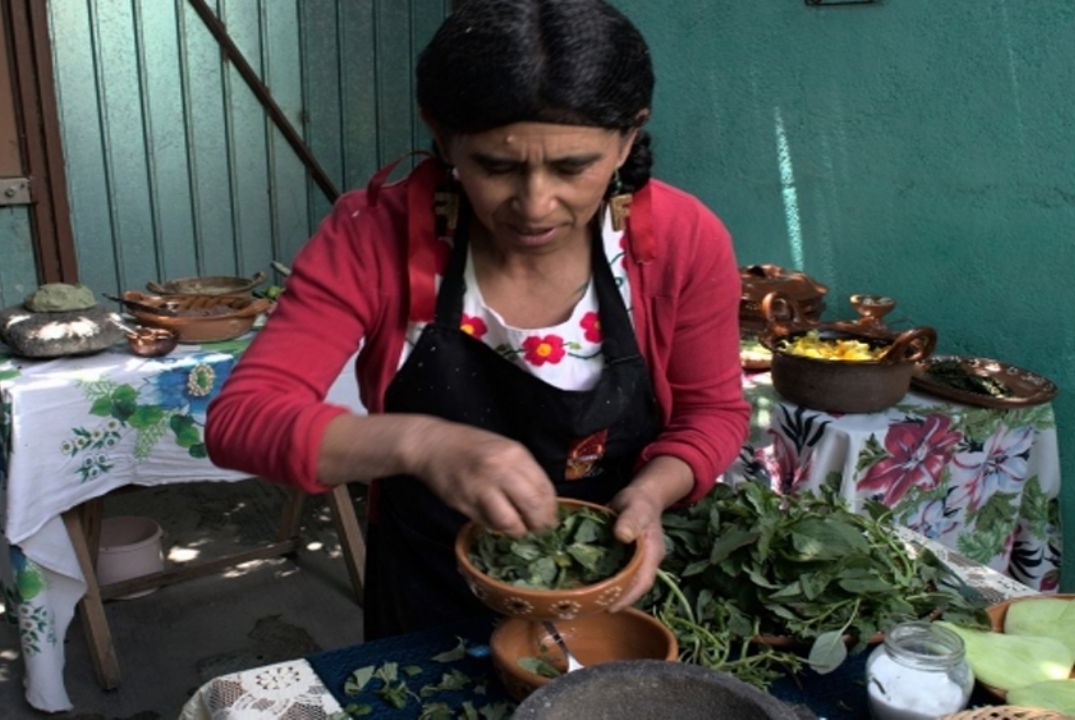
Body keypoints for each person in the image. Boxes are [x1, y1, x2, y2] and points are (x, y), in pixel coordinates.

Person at [205, 0, 747, 640]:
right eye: (497, 166)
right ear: (441, 133)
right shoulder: (372, 236)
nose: (535, 205)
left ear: (629, 136)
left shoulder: (680, 241)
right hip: (426, 585)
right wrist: (422, 443)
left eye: (574, 168)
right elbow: (242, 419)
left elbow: (713, 412)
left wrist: (653, 495)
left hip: (611, 589)